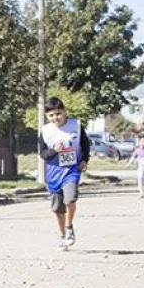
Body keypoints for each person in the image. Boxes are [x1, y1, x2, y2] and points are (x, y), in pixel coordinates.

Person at [38, 97, 90, 250]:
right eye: (52, 115)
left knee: (70, 198)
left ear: (65, 111)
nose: (56, 118)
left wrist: (85, 160)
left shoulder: (76, 125)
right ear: (47, 116)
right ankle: (63, 236)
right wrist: (55, 150)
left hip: (72, 170)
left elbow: (85, 144)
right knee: (57, 208)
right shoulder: (45, 131)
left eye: (59, 114)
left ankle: (69, 227)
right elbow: (43, 154)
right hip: (54, 172)